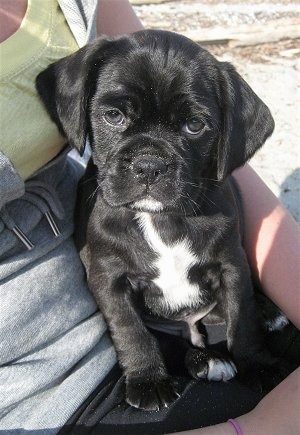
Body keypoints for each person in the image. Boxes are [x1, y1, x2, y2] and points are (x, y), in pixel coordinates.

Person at [0, 0, 299, 433]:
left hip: (174, 318)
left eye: (192, 125)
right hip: (42, 390)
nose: (147, 164)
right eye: (115, 115)